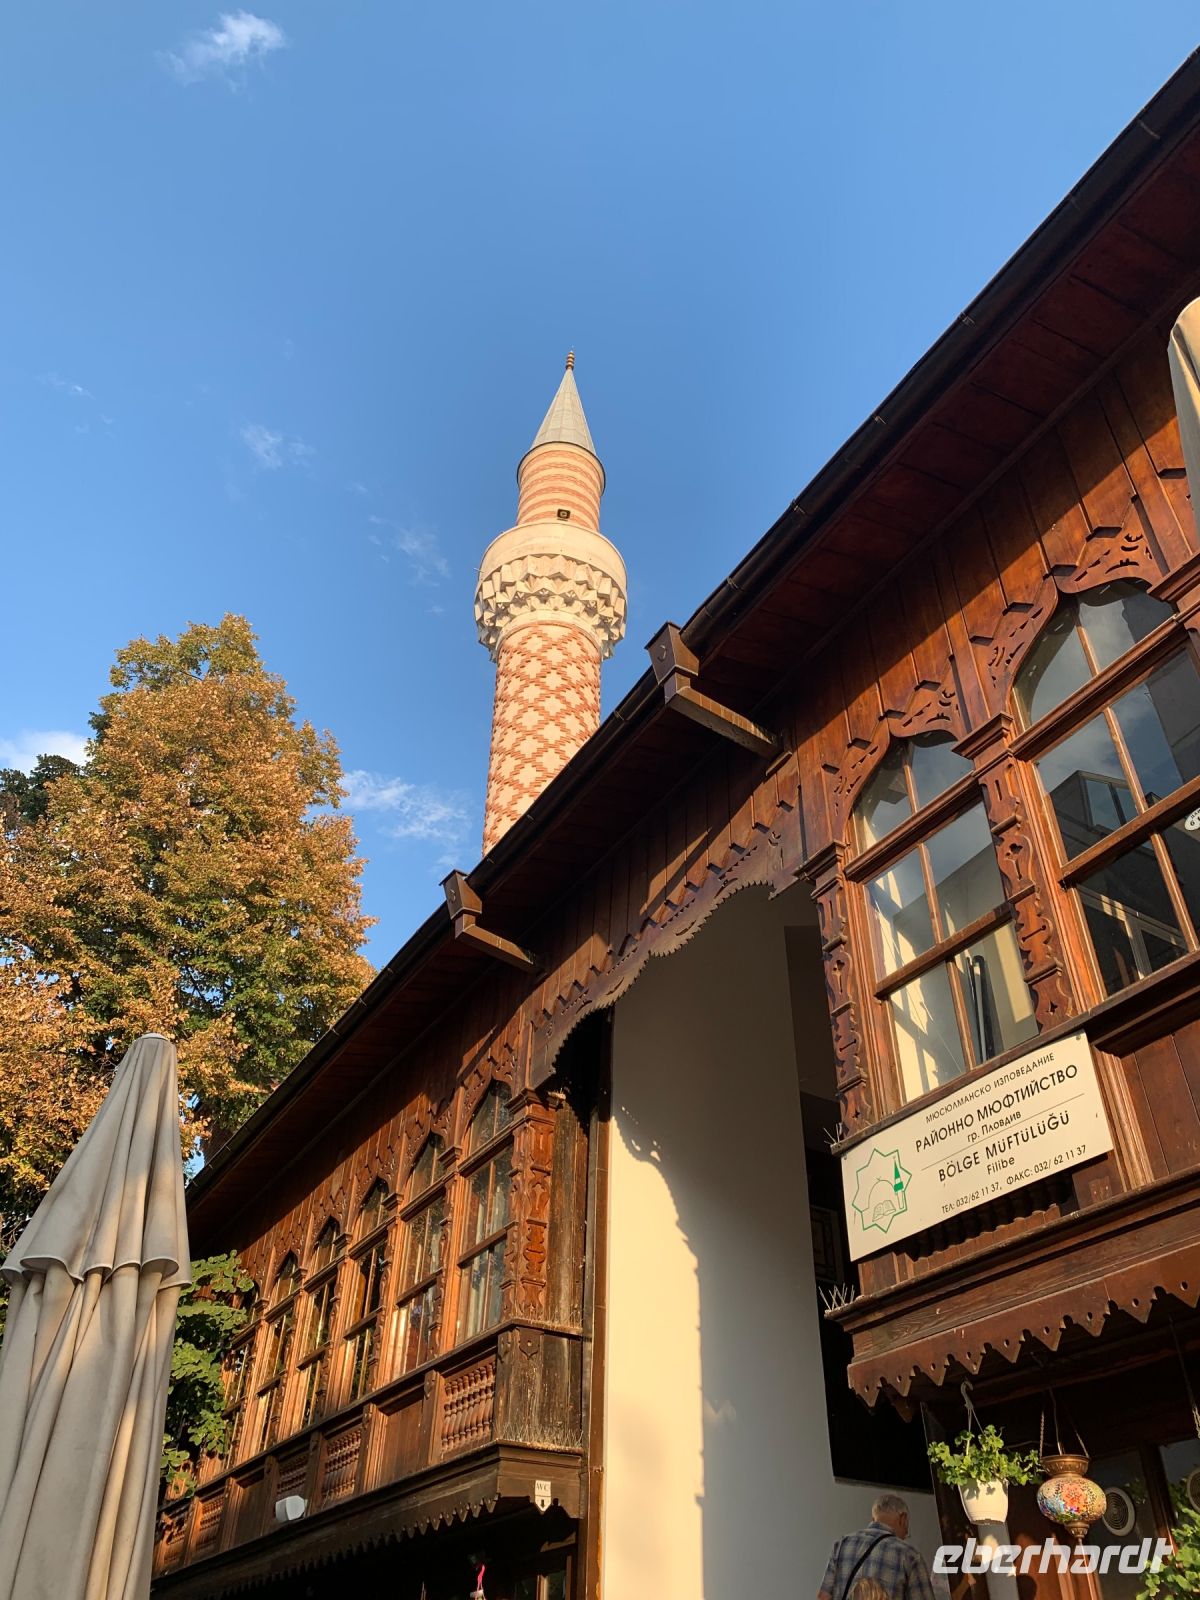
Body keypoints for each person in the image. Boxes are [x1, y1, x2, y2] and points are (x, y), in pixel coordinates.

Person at [817, 1494, 936, 1600]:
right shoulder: (909, 1555)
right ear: (903, 1519)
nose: (905, 1535)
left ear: (873, 1518)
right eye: (907, 1531)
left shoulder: (842, 1544)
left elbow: (823, 1596)